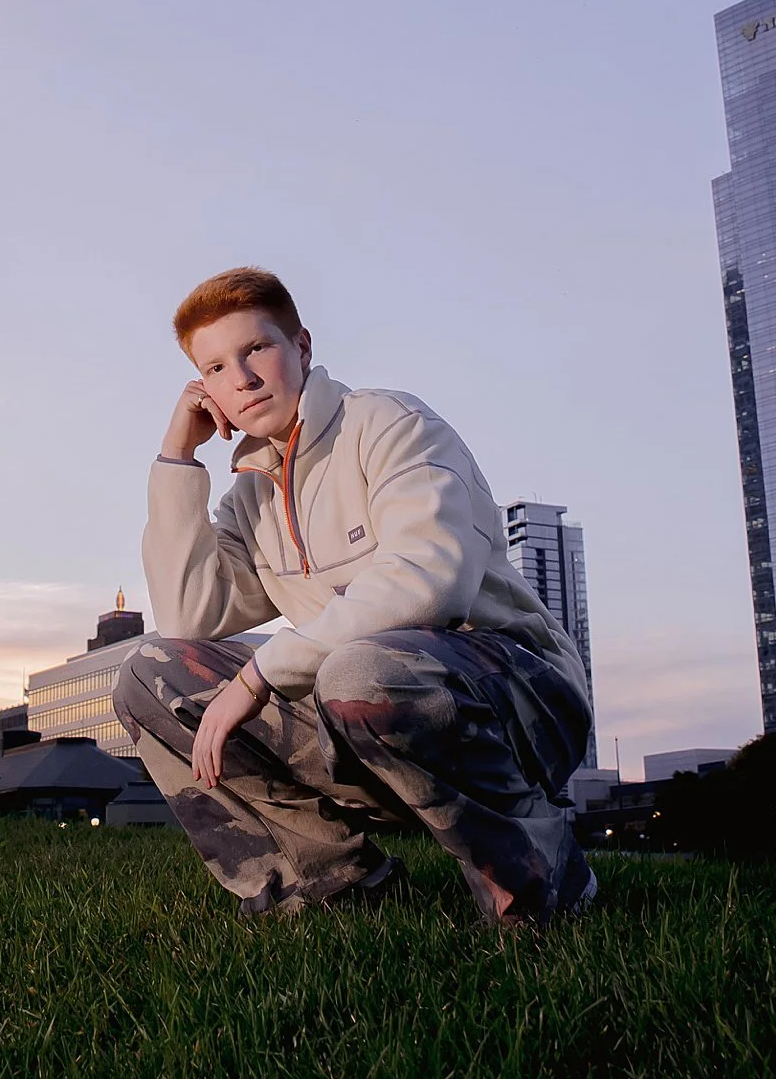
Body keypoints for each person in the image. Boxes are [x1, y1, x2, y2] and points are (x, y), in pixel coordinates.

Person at [113, 266, 597, 925]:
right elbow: (187, 616)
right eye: (216, 368)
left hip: (517, 700)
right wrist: (176, 457)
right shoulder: (251, 496)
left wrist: (260, 674)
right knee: (151, 674)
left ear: (301, 346)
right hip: (356, 710)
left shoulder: (388, 422)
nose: (243, 379)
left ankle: (538, 875)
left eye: (257, 348)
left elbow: (429, 580)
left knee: (359, 670)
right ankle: (332, 885)